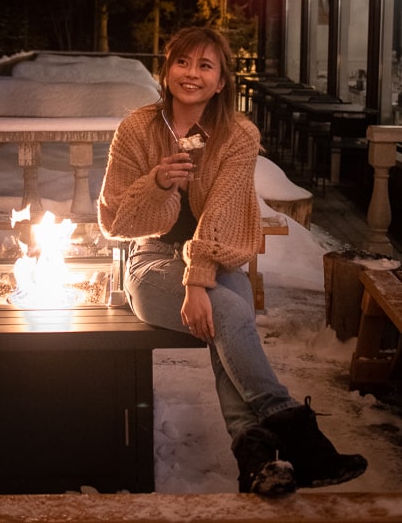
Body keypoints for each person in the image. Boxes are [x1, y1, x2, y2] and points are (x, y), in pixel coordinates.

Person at [98, 25, 367, 495]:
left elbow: (221, 211)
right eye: (183, 62)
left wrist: (198, 280)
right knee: (230, 314)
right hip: (153, 261)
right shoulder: (136, 128)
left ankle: (256, 464)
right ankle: (301, 439)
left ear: (221, 81)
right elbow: (113, 220)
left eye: (206, 66)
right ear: (167, 70)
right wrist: (157, 183)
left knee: (226, 319)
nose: (192, 74)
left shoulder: (238, 134)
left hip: (218, 260)